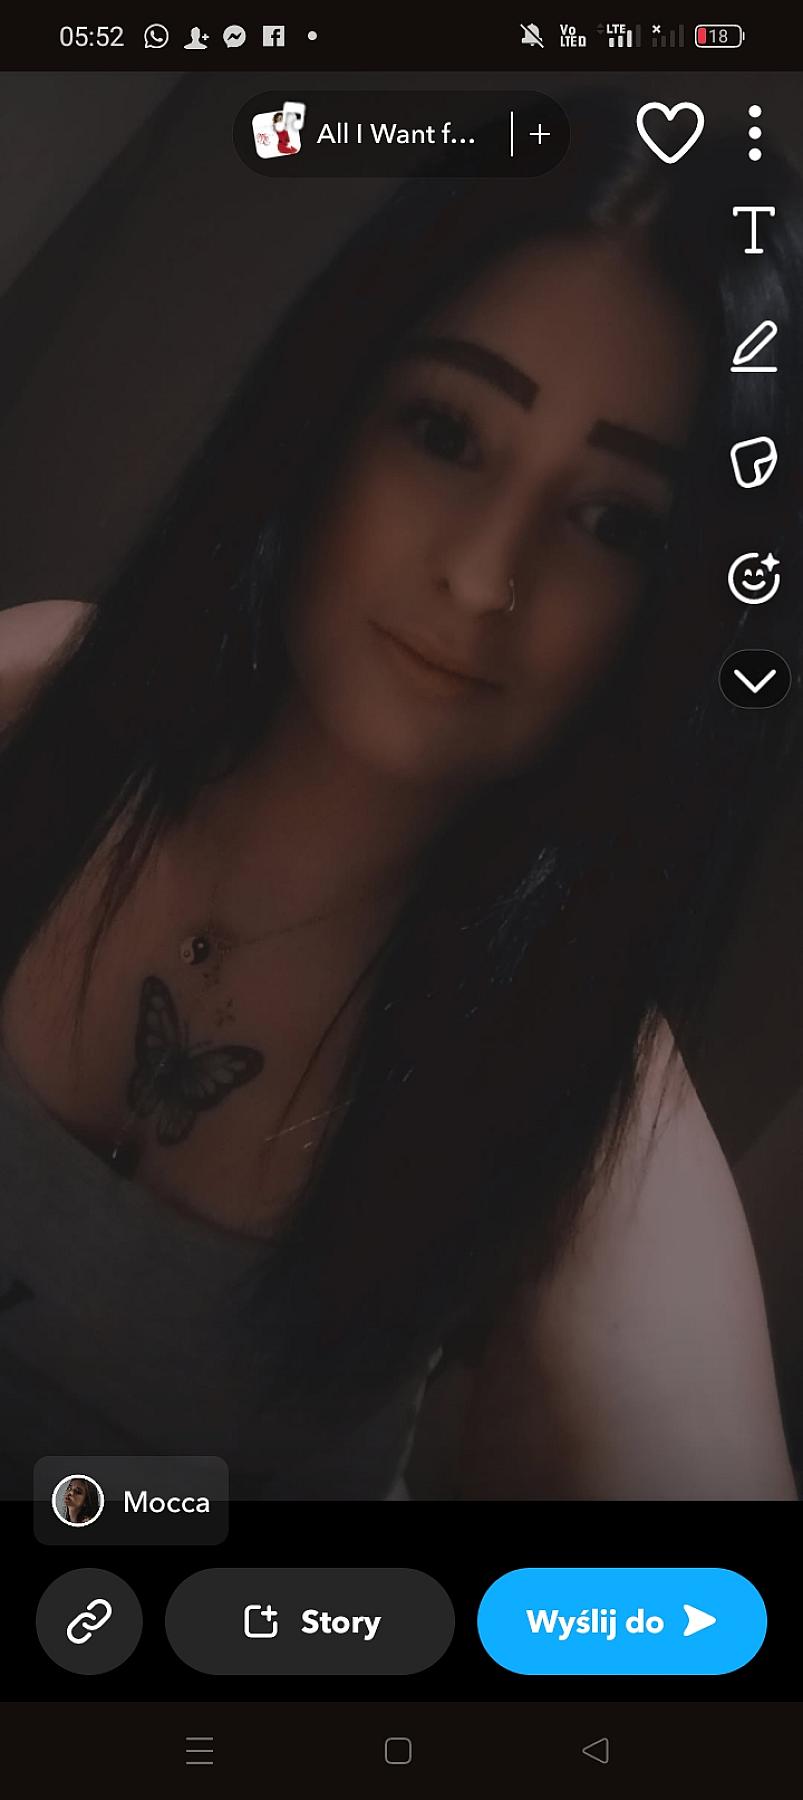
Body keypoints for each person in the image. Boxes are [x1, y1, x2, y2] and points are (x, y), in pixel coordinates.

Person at [0, 90, 801, 1500]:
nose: (485, 575)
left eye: (613, 521)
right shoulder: (36, 704)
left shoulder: (589, 1099)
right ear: (333, 410)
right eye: (445, 432)